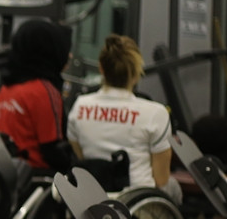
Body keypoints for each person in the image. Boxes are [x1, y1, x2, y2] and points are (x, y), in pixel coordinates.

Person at [67, 34, 180, 202]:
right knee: (174, 187)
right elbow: (161, 180)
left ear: (101, 68)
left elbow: (82, 158)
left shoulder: (79, 107)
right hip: (137, 203)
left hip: (90, 204)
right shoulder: (156, 113)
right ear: (136, 72)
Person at [0, 19, 74, 173]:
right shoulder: (44, 91)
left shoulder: (7, 88)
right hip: (37, 175)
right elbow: (52, 149)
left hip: (7, 172)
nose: (69, 55)